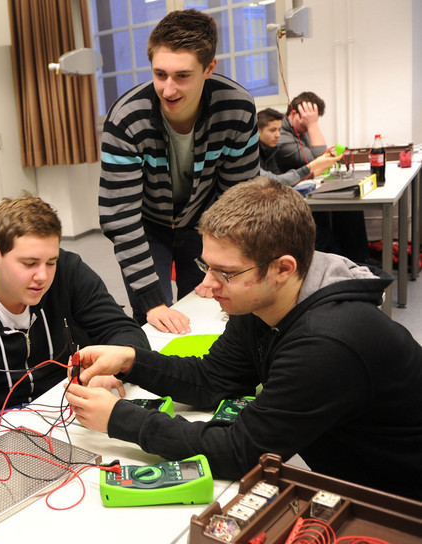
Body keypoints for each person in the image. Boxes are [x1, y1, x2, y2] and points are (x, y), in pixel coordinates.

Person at [66, 177, 422, 500]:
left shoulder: (327, 342)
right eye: (207, 266)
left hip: (399, 502)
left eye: (227, 273)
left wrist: (119, 418)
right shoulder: (263, 303)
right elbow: (214, 379)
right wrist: (131, 360)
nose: (205, 287)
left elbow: (240, 452)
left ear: (283, 268)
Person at [99, 8, 259, 335]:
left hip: (206, 223)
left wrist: (220, 268)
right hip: (148, 226)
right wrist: (151, 302)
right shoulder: (126, 120)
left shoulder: (237, 109)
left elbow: (238, 200)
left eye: (182, 76)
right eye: (160, 74)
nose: (168, 89)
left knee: (211, 307)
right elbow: (121, 216)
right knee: (156, 319)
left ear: (209, 68)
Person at [0, 196, 150, 421]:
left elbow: (126, 332)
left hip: (63, 400)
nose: (42, 276)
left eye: (51, 262)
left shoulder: (68, 271)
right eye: (29, 264)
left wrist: (106, 369)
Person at [270, 92, 368, 263]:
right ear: (294, 114)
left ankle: (355, 259)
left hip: (304, 188)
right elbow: (315, 159)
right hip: (287, 194)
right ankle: (351, 259)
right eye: (308, 120)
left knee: (350, 205)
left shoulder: (299, 131)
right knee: (340, 211)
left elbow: (321, 161)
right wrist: (313, 125)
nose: (311, 126)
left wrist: (310, 126)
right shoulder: (282, 137)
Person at [257, 108, 343, 186]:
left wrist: (312, 173)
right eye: (272, 130)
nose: (278, 135)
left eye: (279, 130)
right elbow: (276, 181)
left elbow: (279, 177)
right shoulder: (251, 154)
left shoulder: (270, 149)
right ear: (258, 131)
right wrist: (311, 167)